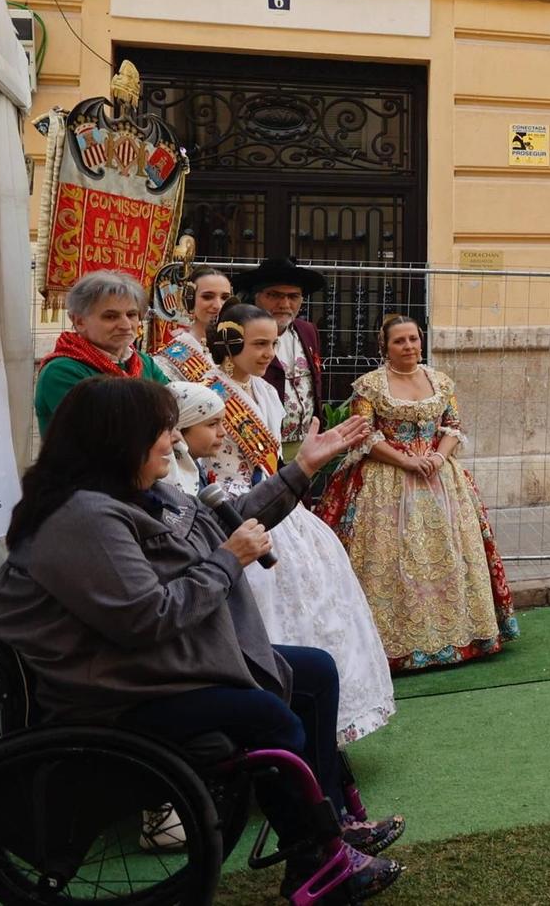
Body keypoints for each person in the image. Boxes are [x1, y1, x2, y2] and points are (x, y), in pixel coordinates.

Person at [0, 377, 402, 899]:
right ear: (117, 438)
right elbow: (148, 617)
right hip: (112, 691)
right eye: (162, 431)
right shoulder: (84, 518)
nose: (175, 441)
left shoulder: (138, 493)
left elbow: (222, 528)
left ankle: (327, 832)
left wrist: (301, 470)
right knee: (266, 715)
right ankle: (317, 851)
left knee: (314, 673)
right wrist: (228, 561)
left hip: (155, 668)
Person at [202, 306, 396, 743]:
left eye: (273, 344)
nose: (269, 353)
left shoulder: (268, 394)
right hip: (232, 512)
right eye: (258, 344)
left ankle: (318, 724)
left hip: (278, 507)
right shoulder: (207, 391)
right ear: (230, 342)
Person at [315, 316, 519, 670]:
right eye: (400, 341)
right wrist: (405, 461)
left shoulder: (440, 381)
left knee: (453, 553)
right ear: (386, 347)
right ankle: (392, 644)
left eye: (414, 339)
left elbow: (453, 426)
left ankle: (464, 635)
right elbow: (365, 434)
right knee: (388, 558)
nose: (409, 346)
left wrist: (439, 455)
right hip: (384, 481)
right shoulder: (370, 386)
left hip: (441, 478)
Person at [33, 268, 169, 432]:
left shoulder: (142, 362)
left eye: (132, 314)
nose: (126, 325)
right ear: (79, 321)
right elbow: (106, 432)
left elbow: (175, 406)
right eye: (110, 316)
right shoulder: (61, 372)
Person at [240, 256, 330, 458]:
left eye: (293, 296)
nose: (285, 303)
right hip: (261, 444)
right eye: (274, 295)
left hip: (306, 443)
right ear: (256, 296)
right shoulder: (242, 334)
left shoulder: (307, 331)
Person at [151, 266, 233, 385]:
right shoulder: (174, 353)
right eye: (207, 297)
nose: (218, 305)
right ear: (189, 299)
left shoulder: (240, 345)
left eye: (225, 298)